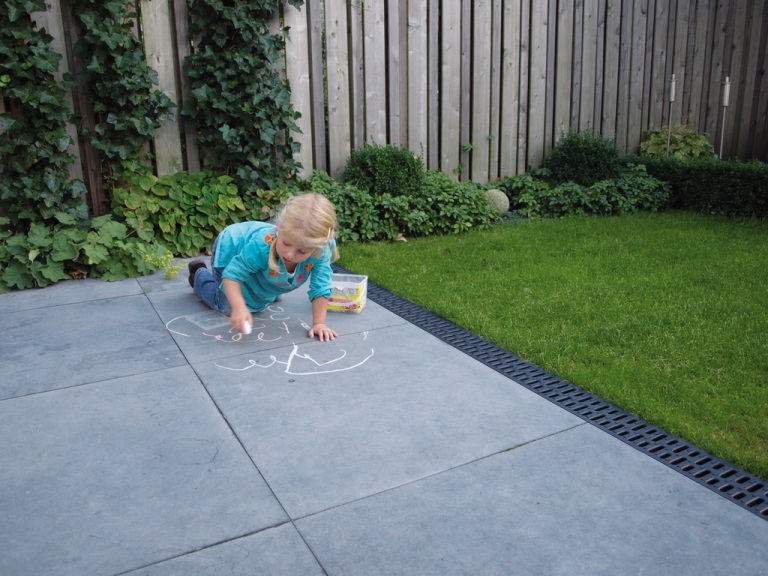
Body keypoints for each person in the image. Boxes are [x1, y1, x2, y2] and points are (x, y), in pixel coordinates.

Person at [187, 193, 339, 341]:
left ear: (317, 247)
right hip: (231, 249)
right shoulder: (262, 246)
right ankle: (199, 274)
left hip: (257, 263)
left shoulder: (320, 251)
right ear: (279, 229)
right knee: (227, 307)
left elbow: (321, 287)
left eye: (302, 251)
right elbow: (233, 274)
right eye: (286, 243)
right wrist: (239, 307)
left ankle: (257, 289)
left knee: (271, 296)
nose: (290, 254)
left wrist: (319, 323)